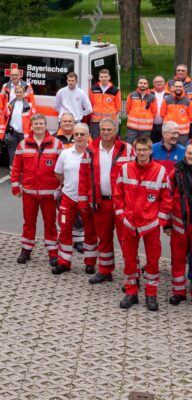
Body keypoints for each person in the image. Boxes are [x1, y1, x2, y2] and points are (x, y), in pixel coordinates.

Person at [114, 136, 171, 311]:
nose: (141, 153)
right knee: (130, 259)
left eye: (144, 149)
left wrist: (159, 220)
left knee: (153, 261)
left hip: (150, 225)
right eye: (138, 149)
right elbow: (118, 195)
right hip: (129, 223)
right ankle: (131, 293)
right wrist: (122, 216)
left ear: (150, 150)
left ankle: (151, 294)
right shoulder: (125, 169)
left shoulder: (160, 171)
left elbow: (166, 200)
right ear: (135, 150)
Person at [78, 117, 135, 284]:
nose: (106, 132)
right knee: (103, 238)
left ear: (115, 130)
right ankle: (105, 270)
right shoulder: (90, 150)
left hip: (122, 204)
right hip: (100, 202)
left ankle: (132, 274)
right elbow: (83, 177)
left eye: (109, 129)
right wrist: (83, 201)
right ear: (99, 130)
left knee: (126, 240)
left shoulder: (128, 150)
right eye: (103, 129)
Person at [11, 113, 62, 266]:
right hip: (29, 193)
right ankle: (26, 249)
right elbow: (16, 167)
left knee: (50, 224)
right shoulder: (23, 144)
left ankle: (53, 252)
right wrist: (15, 185)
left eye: (41, 123)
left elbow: (63, 169)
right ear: (31, 126)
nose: (38, 126)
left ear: (46, 126)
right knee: (29, 222)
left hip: (49, 194)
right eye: (36, 124)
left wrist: (61, 188)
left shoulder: (56, 144)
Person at [53, 123, 98, 275]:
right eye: (76, 134)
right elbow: (58, 174)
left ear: (88, 136)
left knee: (90, 231)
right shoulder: (65, 154)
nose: (79, 137)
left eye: (82, 134)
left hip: (87, 200)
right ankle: (64, 263)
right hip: (68, 198)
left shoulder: (93, 154)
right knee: (65, 230)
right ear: (73, 135)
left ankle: (90, 263)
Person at [165, 142, 192, 305]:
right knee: (178, 258)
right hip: (179, 223)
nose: (190, 155)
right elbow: (167, 198)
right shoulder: (175, 172)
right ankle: (179, 291)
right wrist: (167, 223)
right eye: (189, 152)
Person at [0, 85, 35, 168]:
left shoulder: (29, 106)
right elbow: (3, 119)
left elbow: (33, 120)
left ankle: (23, 170)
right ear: (15, 93)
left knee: (24, 152)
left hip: (24, 133)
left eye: (21, 92)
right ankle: (12, 169)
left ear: (24, 93)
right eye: (17, 92)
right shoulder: (9, 105)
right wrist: (2, 133)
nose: (19, 94)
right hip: (13, 132)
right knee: (12, 151)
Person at [88, 69, 121, 138]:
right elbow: (90, 104)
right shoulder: (93, 89)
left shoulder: (115, 90)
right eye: (102, 77)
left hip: (109, 121)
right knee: (95, 139)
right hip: (95, 120)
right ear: (99, 78)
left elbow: (118, 107)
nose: (104, 79)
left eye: (105, 77)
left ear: (109, 77)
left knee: (109, 139)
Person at [125, 77, 158, 144]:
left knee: (144, 146)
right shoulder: (132, 95)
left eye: (144, 83)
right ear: (138, 84)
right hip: (132, 128)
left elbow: (154, 112)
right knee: (129, 145)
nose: (142, 85)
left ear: (148, 85)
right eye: (141, 83)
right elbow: (128, 109)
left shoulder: (152, 97)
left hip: (146, 129)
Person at [162, 80, 192, 144]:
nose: (178, 88)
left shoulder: (188, 102)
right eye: (176, 86)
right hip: (169, 132)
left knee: (182, 151)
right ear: (173, 88)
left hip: (183, 133)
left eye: (180, 86)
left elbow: (190, 117)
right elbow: (162, 114)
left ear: (183, 88)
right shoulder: (166, 100)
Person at [151, 75, 167, 143]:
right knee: (152, 144)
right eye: (156, 82)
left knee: (165, 143)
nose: (159, 83)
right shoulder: (149, 94)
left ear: (164, 83)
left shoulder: (170, 94)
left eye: (161, 81)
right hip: (151, 125)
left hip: (165, 125)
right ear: (153, 84)